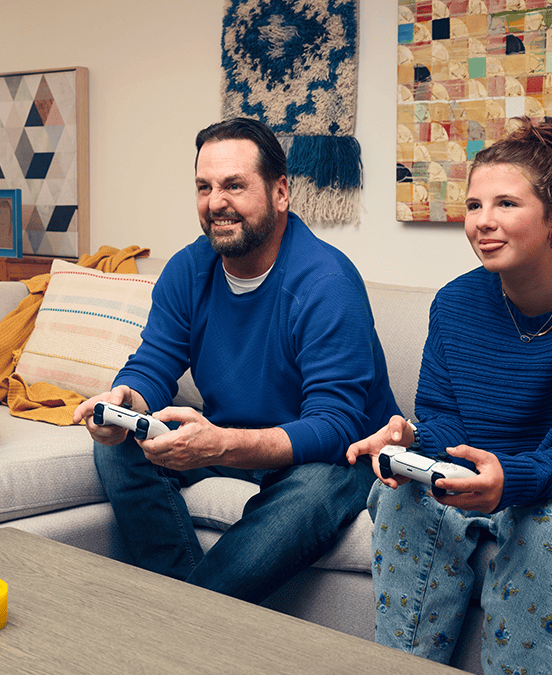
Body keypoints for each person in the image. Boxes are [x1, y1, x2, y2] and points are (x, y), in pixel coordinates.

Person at [347, 117, 552, 675]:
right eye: (474, 206)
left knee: (549, 525)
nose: (483, 223)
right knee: (403, 499)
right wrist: (414, 439)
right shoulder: (454, 304)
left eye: (505, 205)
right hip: (486, 484)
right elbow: (446, 420)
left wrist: (512, 481)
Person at [72, 117, 400, 604]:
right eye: (204, 187)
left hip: (329, 457)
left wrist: (222, 446)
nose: (215, 202)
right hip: (233, 443)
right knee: (118, 446)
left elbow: (334, 425)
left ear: (281, 192)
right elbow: (155, 362)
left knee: (309, 490)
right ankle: (188, 607)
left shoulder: (326, 282)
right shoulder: (188, 268)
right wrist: (125, 399)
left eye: (233, 185)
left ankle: (178, 620)